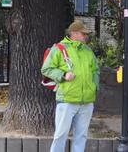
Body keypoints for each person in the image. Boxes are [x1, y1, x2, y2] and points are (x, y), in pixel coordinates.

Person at [41, 20, 99, 152]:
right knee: (60, 135)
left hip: (87, 101)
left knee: (82, 135)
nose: (86, 36)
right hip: (67, 100)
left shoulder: (88, 51)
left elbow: (96, 70)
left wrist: (94, 87)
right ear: (74, 33)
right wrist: (63, 75)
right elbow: (46, 69)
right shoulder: (59, 48)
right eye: (83, 34)